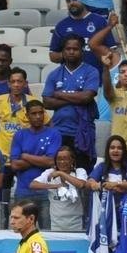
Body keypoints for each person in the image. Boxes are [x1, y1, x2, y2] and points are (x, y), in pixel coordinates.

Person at [41, 35, 100, 171]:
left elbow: (86, 97)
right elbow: (47, 102)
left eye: (75, 49)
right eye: (68, 49)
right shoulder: (54, 74)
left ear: (82, 51)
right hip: (59, 132)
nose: (71, 52)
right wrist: (75, 96)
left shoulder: (91, 71)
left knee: (82, 172)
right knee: (58, 172)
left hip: (82, 132)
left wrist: (59, 93)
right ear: (63, 51)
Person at [30, 147, 89, 232]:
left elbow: (80, 184)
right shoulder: (50, 172)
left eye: (65, 159)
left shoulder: (79, 171)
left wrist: (61, 173)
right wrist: (56, 186)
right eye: (59, 159)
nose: (62, 162)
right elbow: (33, 185)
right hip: (55, 223)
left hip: (76, 222)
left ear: (72, 160)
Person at [0, 66, 30, 158]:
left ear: (25, 83)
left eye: (19, 81)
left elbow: (46, 123)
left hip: (24, 154)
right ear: (8, 84)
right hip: (1, 152)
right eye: (13, 82)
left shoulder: (33, 102)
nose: (16, 85)